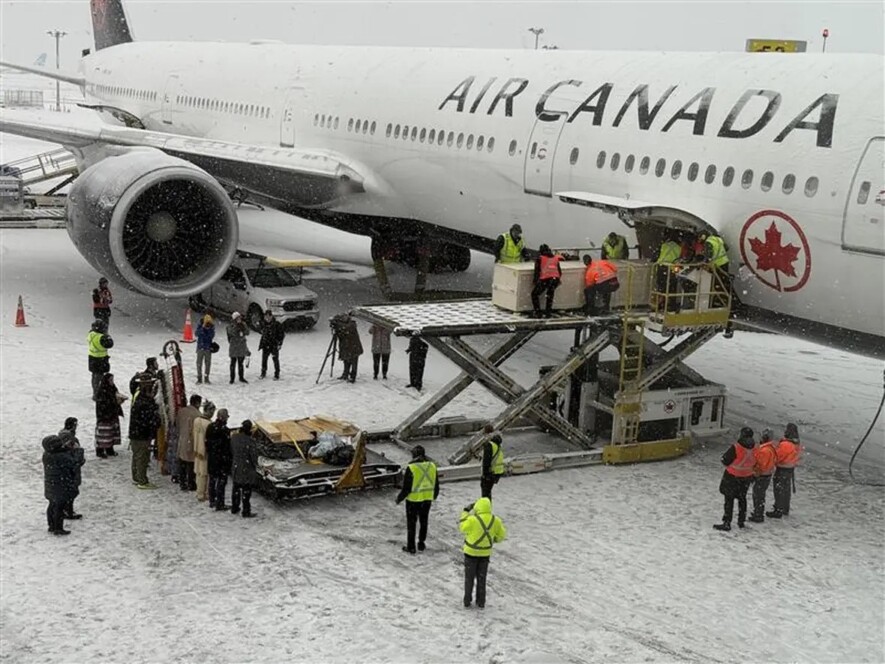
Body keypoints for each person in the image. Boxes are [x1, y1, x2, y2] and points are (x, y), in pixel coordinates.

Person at [460, 497, 507, 608]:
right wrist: (493, 540)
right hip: (485, 554)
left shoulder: (472, 520)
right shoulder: (496, 520)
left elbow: (462, 527)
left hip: (470, 553)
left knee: (469, 578)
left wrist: (465, 512)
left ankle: (467, 600)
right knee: (482, 578)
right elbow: (501, 536)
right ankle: (481, 601)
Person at [395, 445, 440, 554]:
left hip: (413, 501)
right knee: (424, 522)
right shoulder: (432, 466)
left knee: (412, 524)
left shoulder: (412, 468)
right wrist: (434, 495)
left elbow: (407, 488)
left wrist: (399, 499)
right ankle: (421, 543)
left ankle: (411, 547)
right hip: (427, 499)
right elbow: (436, 484)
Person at [713, 427, 756, 531]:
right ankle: (741, 521)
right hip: (746, 477)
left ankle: (727, 522)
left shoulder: (736, 447)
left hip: (732, 477)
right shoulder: (755, 448)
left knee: (729, 500)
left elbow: (725, 460)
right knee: (742, 499)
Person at [43, 433, 80, 536]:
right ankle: (58, 528)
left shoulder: (47, 455)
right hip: (61, 485)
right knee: (60, 507)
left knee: (52, 505)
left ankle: (51, 525)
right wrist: (77, 450)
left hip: (51, 485)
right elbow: (75, 463)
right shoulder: (61, 456)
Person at [129, 381, 161, 489]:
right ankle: (142, 481)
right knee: (142, 458)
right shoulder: (146, 405)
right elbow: (151, 421)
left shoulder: (140, 401)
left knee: (136, 456)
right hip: (142, 435)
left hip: (135, 433)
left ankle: (136, 477)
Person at [767, 423, 802, 519]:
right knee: (786, 490)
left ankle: (778, 509)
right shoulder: (797, 444)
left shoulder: (785, 444)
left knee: (779, 490)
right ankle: (785, 508)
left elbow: (778, 456)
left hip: (782, 469)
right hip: (790, 469)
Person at [57, 417, 84, 520]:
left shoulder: (61, 436)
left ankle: (66, 509)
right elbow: (76, 455)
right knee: (71, 491)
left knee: (68, 490)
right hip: (71, 468)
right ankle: (68, 511)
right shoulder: (70, 438)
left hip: (66, 468)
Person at [230, 419, 259, 518]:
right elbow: (254, 457)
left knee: (236, 488)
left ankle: (235, 507)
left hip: (236, 466)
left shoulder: (234, 438)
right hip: (246, 469)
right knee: (246, 491)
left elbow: (231, 450)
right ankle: (246, 511)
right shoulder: (250, 441)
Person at [749, 428, 777, 523]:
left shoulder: (764, 450)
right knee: (760, 495)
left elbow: (760, 465)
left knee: (758, 495)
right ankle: (758, 512)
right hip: (767, 475)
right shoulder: (770, 448)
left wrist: (753, 472)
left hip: (762, 476)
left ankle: (758, 514)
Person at [206, 408, 232, 511]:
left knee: (212, 480)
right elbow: (226, 447)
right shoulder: (225, 430)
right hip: (222, 460)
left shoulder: (210, 427)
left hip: (212, 458)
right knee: (221, 482)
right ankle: (220, 502)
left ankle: (212, 500)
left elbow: (207, 443)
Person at [95, 373, 125, 458]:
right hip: (104, 415)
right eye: (111, 380)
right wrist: (115, 402)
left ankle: (109, 449)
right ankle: (100, 450)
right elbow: (103, 403)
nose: (112, 382)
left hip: (112, 414)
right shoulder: (102, 391)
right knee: (103, 434)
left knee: (111, 433)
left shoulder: (112, 388)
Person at [176, 394, 202, 491]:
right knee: (191, 463)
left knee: (182, 461)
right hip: (192, 440)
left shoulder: (181, 411)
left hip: (182, 439)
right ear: (197, 403)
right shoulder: (197, 415)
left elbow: (177, 425)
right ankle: (191, 483)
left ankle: (182, 481)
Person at [531, 244, 563, 318]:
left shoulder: (540, 258)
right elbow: (560, 272)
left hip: (546, 279)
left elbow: (537, 271)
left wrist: (535, 281)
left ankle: (538, 312)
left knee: (534, 294)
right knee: (550, 295)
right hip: (555, 279)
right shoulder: (555, 258)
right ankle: (548, 312)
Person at [192, 400, 216, 502]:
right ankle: (202, 494)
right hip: (205, 452)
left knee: (198, 472)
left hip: (197, 449)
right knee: (204, 474)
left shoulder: (196, 420)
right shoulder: (209, 424)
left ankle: (199, 492)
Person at [87, 318, 114, 400]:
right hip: (100, 359)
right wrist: (107, 336)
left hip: (92, 358)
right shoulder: (102, 337)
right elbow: (110, 344)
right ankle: (98, 394)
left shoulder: (91, 334)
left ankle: (95, 392)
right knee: (100, 377)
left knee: (94, 376)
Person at [654, 233, 682, 310]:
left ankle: (660, 304)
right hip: (670, 269)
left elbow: (657, 256)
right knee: (671, 288)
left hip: (661, 267)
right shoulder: (678, 248)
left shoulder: (664, 245)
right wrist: (677, 270)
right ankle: (670, 305)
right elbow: (678, 261)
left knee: (661, 287)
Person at [336, 314, 363, 383]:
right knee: (346, 361)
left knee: (354, 362)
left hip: (354, 347)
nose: (343, 319)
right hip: (346, 347)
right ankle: (345, 374)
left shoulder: (352, 324)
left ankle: (352, 377)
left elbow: (347, 328)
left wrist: (337, 324)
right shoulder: (342, 326)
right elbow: (341, 335)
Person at [258, 310, 285, 380]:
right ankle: (263, 372)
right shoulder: (263, 324)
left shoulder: (277, 324)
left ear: (271, 316)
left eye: (269, 316)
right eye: (266, 316)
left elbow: (281, 334)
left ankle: (277, 374)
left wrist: (279, 343)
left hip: (274, 345)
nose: (267, 318)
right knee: (264, 360)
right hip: (265, 344)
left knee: (275, 360)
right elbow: (260, 331)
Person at [480, 425, 505, 500]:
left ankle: (486, 509)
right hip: (497, 472)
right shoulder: (497, 443)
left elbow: (486, 461)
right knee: (488, 492)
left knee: (485, 494)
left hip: (490, 472)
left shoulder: (489, 444)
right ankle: (487, 508)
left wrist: (485, 474)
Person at [227, 312, 251, 384]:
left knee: (241, 363)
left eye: (239, 317)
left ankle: (241, 377)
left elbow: (248, 332)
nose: (239, 319)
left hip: (241, 346)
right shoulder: (230, 326)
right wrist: (237, 328)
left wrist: (243, 329)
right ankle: (232, 378)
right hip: (234, 346)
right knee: (233, 363)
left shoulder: (243, 324)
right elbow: (231, 333)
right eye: (237, 318)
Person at [195, 314, 216, 384]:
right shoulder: (200, 326)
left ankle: (206, 377)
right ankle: (199, 378)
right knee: (199, 364)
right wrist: (202, 328)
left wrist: (209, 329)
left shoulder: (212, 328)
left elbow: (211, 336)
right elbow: (196, 334)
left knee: (208, 364)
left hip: (208, 348)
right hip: (200, 348)